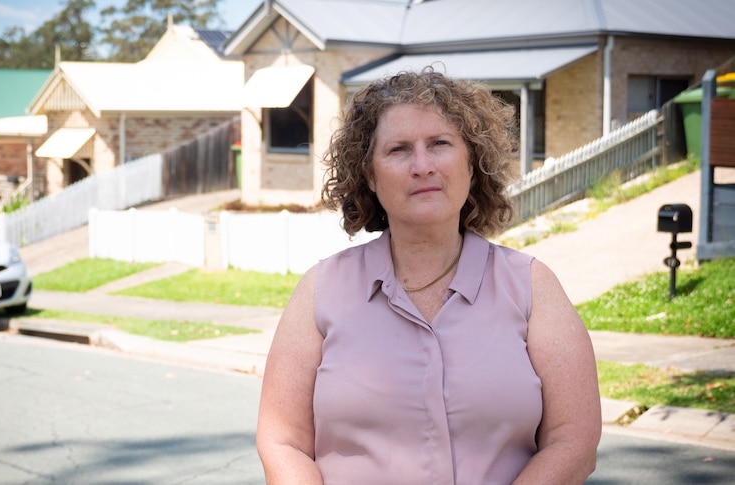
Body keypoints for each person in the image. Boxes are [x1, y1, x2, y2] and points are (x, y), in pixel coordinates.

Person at [256, 67, 601, 484]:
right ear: (369, 175)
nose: (422, 165)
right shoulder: (320, 291)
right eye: (399, 149)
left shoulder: (532, 287)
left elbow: (574, 441)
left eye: (439, 144)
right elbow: (282, 441)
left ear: (472, 163)